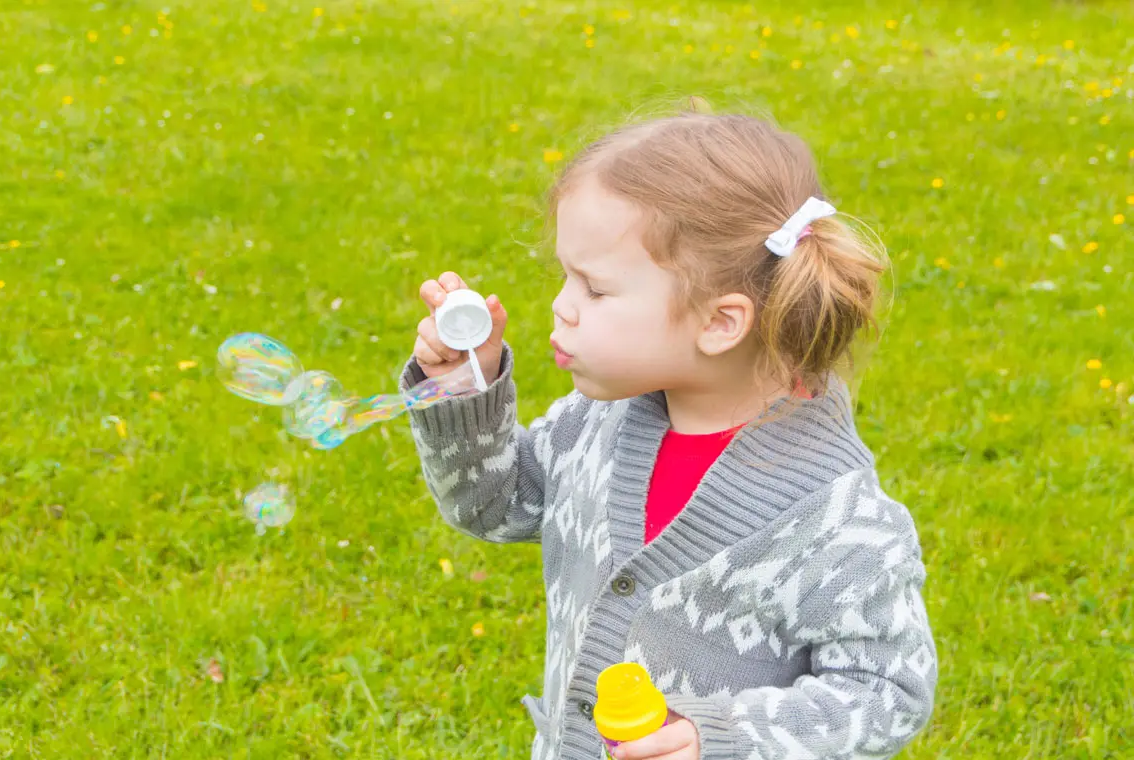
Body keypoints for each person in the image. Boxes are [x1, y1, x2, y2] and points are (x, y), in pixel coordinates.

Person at [398, 105, 937, 760]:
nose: (561, 307)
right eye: (567, 277)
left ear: (718, 323)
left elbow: (887, 689)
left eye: (594, 290)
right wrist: (464, 389)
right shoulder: (596, 424)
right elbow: (493, 506)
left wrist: (724, 738)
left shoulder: (834, 519)